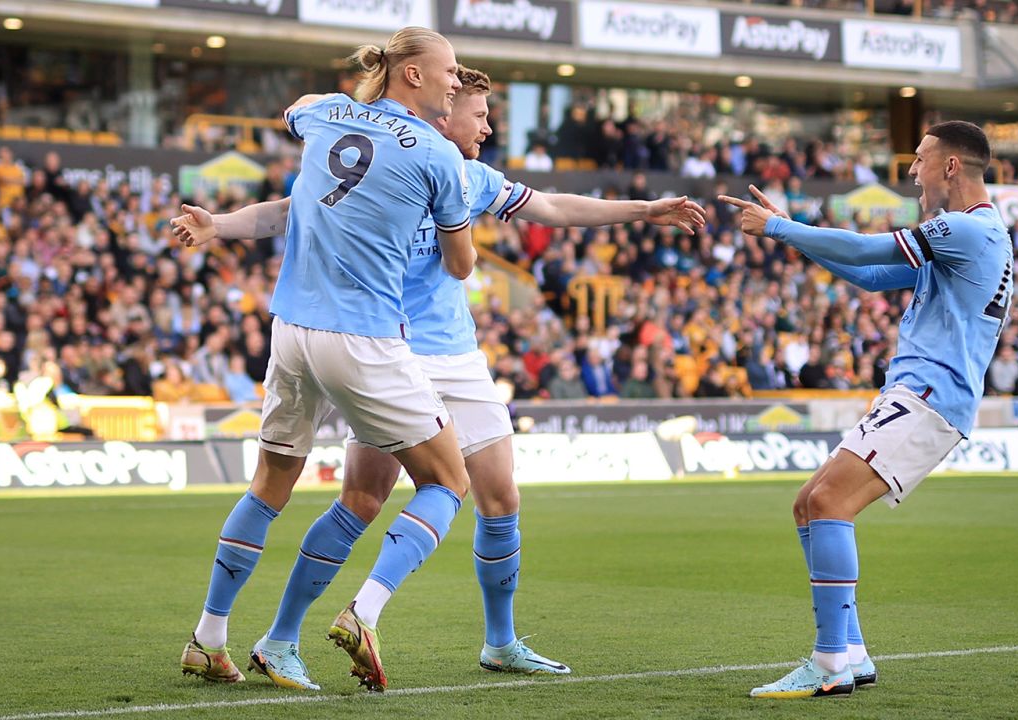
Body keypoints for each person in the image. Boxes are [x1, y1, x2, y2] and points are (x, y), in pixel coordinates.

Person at [172, 64, 704, 690]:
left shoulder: (466, 175)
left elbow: (553, 205)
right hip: (389, 352)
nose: (486, 124)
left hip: (448, 355)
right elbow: (432, 254)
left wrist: (643, 209)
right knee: (368, 500)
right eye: (475, 112)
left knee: (500, 496)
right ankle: (287, 635)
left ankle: (499, 642)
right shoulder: (417, 162)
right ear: (441, 113)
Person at [175, 27, 475, 692]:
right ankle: (363, 611)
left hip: (291, 330)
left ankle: (209, 638)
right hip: (363, 338)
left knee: (269, 485)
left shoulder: (320, 110)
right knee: (448, 482)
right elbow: (460, 264)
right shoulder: (436, 152)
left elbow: (297, 177)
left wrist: (219, 224)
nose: (456, 81)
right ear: (414, 77)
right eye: (448, 70)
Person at [720, 120, 1011, 699]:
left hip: (932, 395)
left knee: (830, 502)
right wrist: (790, 236)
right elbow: (875, 275)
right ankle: (851, 652)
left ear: (951, 166)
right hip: (915, 393)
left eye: (921, 158)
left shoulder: (967, 230)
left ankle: (829, 664)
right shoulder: (962, 234)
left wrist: (782, 226)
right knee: (809, 504)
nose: (912, 170)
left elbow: (868, 248)